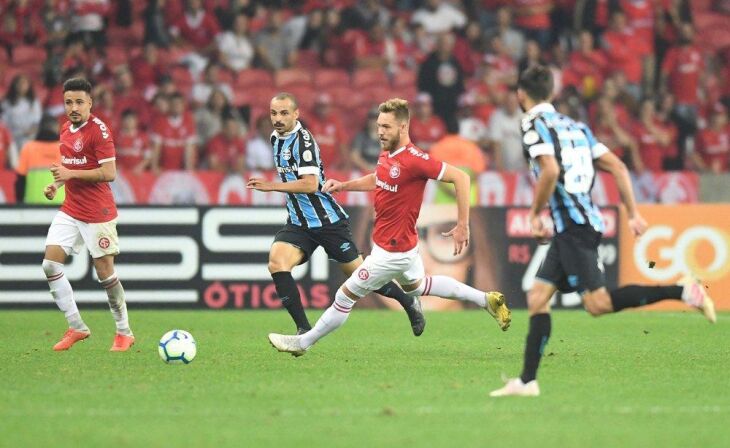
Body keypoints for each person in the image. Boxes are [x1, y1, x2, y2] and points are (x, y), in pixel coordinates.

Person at [489, 66, 716, 398]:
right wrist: (633, 214)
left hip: (575, 228)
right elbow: (619, 167)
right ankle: (527, 381)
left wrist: (536, 213)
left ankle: (682, 292)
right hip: (581, 223)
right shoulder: (577, 126)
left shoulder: (532, 124)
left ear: (521, 94)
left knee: (597, 303)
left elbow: (549, 169)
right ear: (551, 93)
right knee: (538, 297)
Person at [267, 98, 512, 357]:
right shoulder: (388, 153)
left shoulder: (416, 160)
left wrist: (463, 224)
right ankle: (486, 300)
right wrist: (344, 185)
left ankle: (302, 343)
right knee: (418, 286)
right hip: (403, 246)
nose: (380, 132)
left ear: (403, 127)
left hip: (391, 253)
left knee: (344, 296)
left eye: (386, 127)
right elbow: (378, 178)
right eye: (379, 126)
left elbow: (461, 178)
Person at [247, 93, 425, 336]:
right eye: (274, 113)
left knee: (362, 276)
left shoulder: (304, 142)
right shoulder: (275, 138)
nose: (278, 119)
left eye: (284, 113)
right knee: (277, 262)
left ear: (296, 114)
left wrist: (271, 185)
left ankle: (408, 302)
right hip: (299, 223)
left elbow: (310, 184)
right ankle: (303, 330)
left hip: (327, 221)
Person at [42, 77, 134, 352]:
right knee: (50, 265)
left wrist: (70, 174)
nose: (74, 107)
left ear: (90, 103)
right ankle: (77, 326)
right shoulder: (65, 130)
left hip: (98, 212)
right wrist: (57, 183)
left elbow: (109, 173)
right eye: (69, 101)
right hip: (71, 208)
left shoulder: (100, 132)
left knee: (105, 273)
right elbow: (70, 166)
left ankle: (124, 332)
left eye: (79, 102)